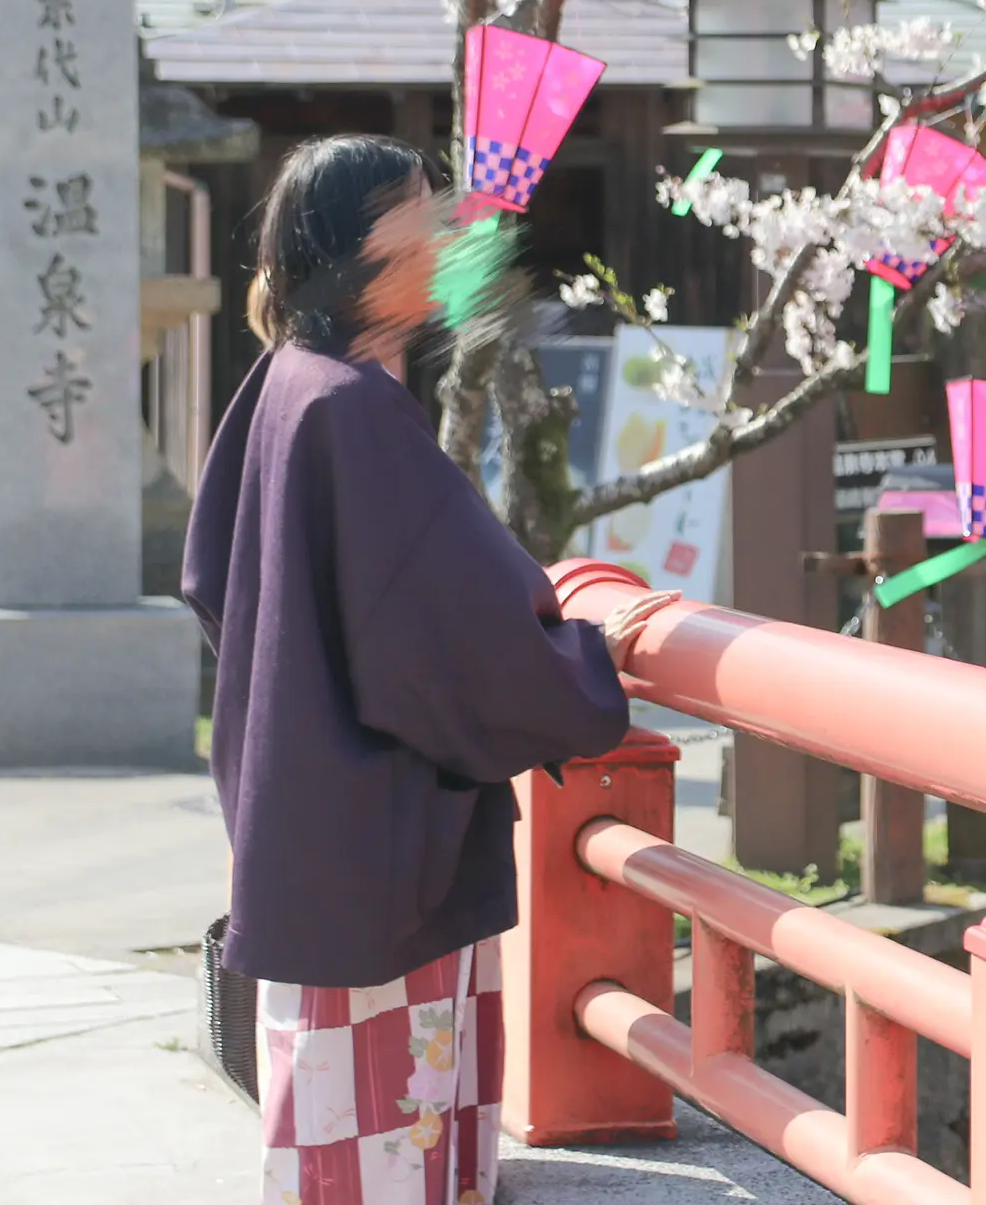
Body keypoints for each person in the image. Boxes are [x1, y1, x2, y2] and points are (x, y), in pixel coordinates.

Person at [182, 136, 672, 1205]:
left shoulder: (288, 384)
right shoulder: (353, 410)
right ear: (359, 256)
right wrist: (579, 664)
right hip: (378, 837)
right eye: (427, 225)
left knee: (331, 1135)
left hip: (310, 812)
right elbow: (453, 633)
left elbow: (217, 573)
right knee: (385, 1143)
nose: (453, 245)